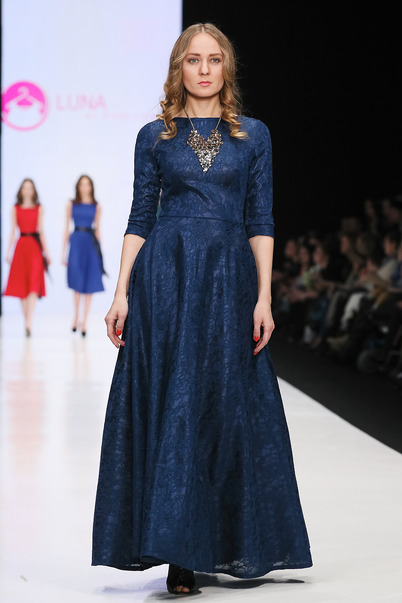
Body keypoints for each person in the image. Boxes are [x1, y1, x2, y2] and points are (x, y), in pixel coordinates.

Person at [92, 23, 312, 595]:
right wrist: (121, 292)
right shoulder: (155, 136)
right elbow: (140, 216)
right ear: (179, 68)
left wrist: (263, 296)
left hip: (229, 283)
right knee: (176, 405)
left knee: (225, 406)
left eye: (215, 59)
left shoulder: (253, 135)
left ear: (227, 68)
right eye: (194, 60)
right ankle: (178, 555)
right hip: (166, 280)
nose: (205, 69)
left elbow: (260, 219)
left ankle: (229, 542)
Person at [3, 178, 51, 336]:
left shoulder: (39, 208)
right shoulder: (15, 208)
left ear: (33, 190)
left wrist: (47, 253)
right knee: (22, 286)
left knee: (33, 284)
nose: (27, 190)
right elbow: (12, 232)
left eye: (30, 187)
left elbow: (41, 231)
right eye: (25, 187)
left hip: (34, 247)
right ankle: (27, 321)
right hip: (21, 247)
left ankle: (29, 321)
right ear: (21, 190)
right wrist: (8, 252)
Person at [62, 175, 105, 336]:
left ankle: (85, 321)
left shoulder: (97, 206)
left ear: (91, 187)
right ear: (78, 187)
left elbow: (98, 230)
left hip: (90, 244)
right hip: (76, 242)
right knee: (77, 280)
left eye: (87, 184)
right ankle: (76, 317)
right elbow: (66, 228)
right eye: (82, 184)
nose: (85, 187)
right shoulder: (71, 205)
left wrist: (100, 255)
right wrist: (63, 252)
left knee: (89, 282)